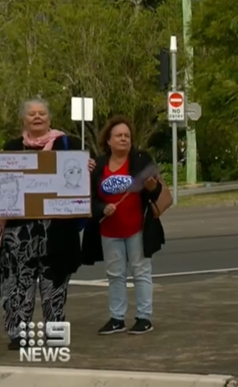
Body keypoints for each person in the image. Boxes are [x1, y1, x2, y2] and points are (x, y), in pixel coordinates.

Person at [0, 98, 95, 350]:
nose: (37, 117)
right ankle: (19, 334)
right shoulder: (11, 149)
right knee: (19, 284)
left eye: (42, 113)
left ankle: (55, 333)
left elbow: (81, 181)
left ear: (49, 118)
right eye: (32, 114)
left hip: (57, 229)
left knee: (55, 285)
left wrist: (87, 168)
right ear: (24, 120)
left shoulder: (69, 145)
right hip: (20, 231)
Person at [82, 115, 165, 335]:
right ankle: (117, 318)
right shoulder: (99, 164)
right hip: (109, 230)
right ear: (108, 140)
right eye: (118, 135)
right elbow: (88, 196)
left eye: (127, 135)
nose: (123, 139)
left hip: (137, 228)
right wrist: (102, 209)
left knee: (141, 272)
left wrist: (150, 187)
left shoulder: (140, 159)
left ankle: (144, 317)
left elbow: (156, 192)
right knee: (115, 274)